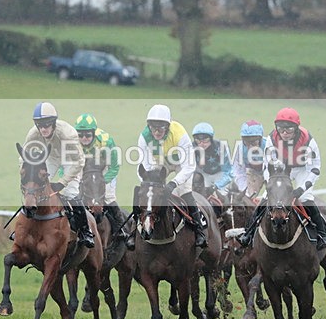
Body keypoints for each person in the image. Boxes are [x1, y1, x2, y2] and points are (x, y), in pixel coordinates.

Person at [238, 107, 326, 250]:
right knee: (265, 198)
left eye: (289, 129)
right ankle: (248, 234)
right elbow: (267, 165)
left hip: (303, 169)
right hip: (282, 170)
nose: (284, 133)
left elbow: (315, 168)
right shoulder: (271, 139)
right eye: (281, 129)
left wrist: (300, 189)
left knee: (306, 198)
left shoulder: (308, 140)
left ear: (296, 128)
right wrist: (270, 186)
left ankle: (322, 234)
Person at [20, 101, 94, 248]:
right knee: (34, 184)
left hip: (71, 159)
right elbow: (24, 157)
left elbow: (79, 162)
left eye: (46, 125)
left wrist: (62, 182)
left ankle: (86, 231)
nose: (43, 129)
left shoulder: (68, 134)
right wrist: (24, 174)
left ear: (53, 123)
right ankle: (25, 225)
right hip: (52, 158)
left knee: (70, 193)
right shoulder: (33, 133)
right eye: (40, 125)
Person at [133, 104, 207, 249]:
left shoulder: (179, 134)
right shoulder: (144, 137)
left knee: (184, 192)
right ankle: (133, 230)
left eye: (160, 127)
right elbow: (146, 166)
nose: (156, 131)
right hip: (159, 164)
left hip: (181, 164)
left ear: (167, 126)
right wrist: (152, 184)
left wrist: (173, 183)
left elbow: (189, 166)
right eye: (153, 127)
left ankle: (199, 231)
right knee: (146, 193)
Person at [73, 112, 130, 247]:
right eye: (81, 135)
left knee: (108, 196)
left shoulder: (106, 141)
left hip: (104, 168)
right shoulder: (72, 142)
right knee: (74, 194)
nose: (84, 138)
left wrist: (102, 181)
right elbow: (66, 166)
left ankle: (120, 228)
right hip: (82, 168)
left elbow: (114, 166)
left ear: (93, 133)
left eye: (87, 134)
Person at [191, 122, 233, 201]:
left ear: (211, 138)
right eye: (198, 140)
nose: (202, 144)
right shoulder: (192, 147)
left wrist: (216, 186)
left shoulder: (220, 147)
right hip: (204, 174)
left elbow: (229, 172)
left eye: (205, 139)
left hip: (220, 174)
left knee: (222, 197)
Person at [232, 119, 267, 204]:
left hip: (269, 172)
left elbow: (273, 173)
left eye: (254, 142)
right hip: (253, 172)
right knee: (246, 198)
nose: (250, 146)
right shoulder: (240, 148)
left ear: (260, 139)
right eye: (246, 142)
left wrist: (265, 196)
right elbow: (238, 172)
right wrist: (244, 191)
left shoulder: (268, 146)